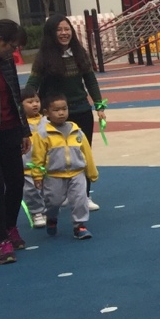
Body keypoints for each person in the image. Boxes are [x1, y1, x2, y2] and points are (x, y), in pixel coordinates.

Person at [29, 14, 103, 210]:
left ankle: (83, 196)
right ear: (51, 33)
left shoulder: (79, 53)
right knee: (54, 156)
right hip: (53, 115)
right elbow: (33, 83)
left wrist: (99, 105)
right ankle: (57, 194)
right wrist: (27, 104)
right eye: (59, 30)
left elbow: (90, 80)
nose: (64, 33)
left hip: (81, 110)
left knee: (81, 154)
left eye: (67, 29)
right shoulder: (44, 57)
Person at [0, 19, 27, 264]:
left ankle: (11, 226)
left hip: (10, 129)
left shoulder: (7, 61)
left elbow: (16, 96)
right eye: (11, 46)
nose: (14, 51)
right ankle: (2, 239)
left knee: (16, 182)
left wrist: (24, 130)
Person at [31, 94, 98, 239]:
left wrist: (91, 172)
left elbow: (86, 152)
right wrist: (37, 175)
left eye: (64, 109)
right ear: (46, 113)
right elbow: (37, 156)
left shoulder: (76, 131)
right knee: (53, 201)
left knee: (80, 199)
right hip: (54, 175)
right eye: (56, 110)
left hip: (77, 172)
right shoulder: (43, 134)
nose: (61, 113)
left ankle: (79, 225)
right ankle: (51, 217)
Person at [20, 85, 45, 228]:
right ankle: (37, 212)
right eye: (30, 102)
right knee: (31, 190)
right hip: (28, 165)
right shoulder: (20, 125)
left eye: (37, 101)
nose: (35, 104)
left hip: (46, 164)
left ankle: (47, 209)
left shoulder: (46, 121)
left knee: (47, 189)